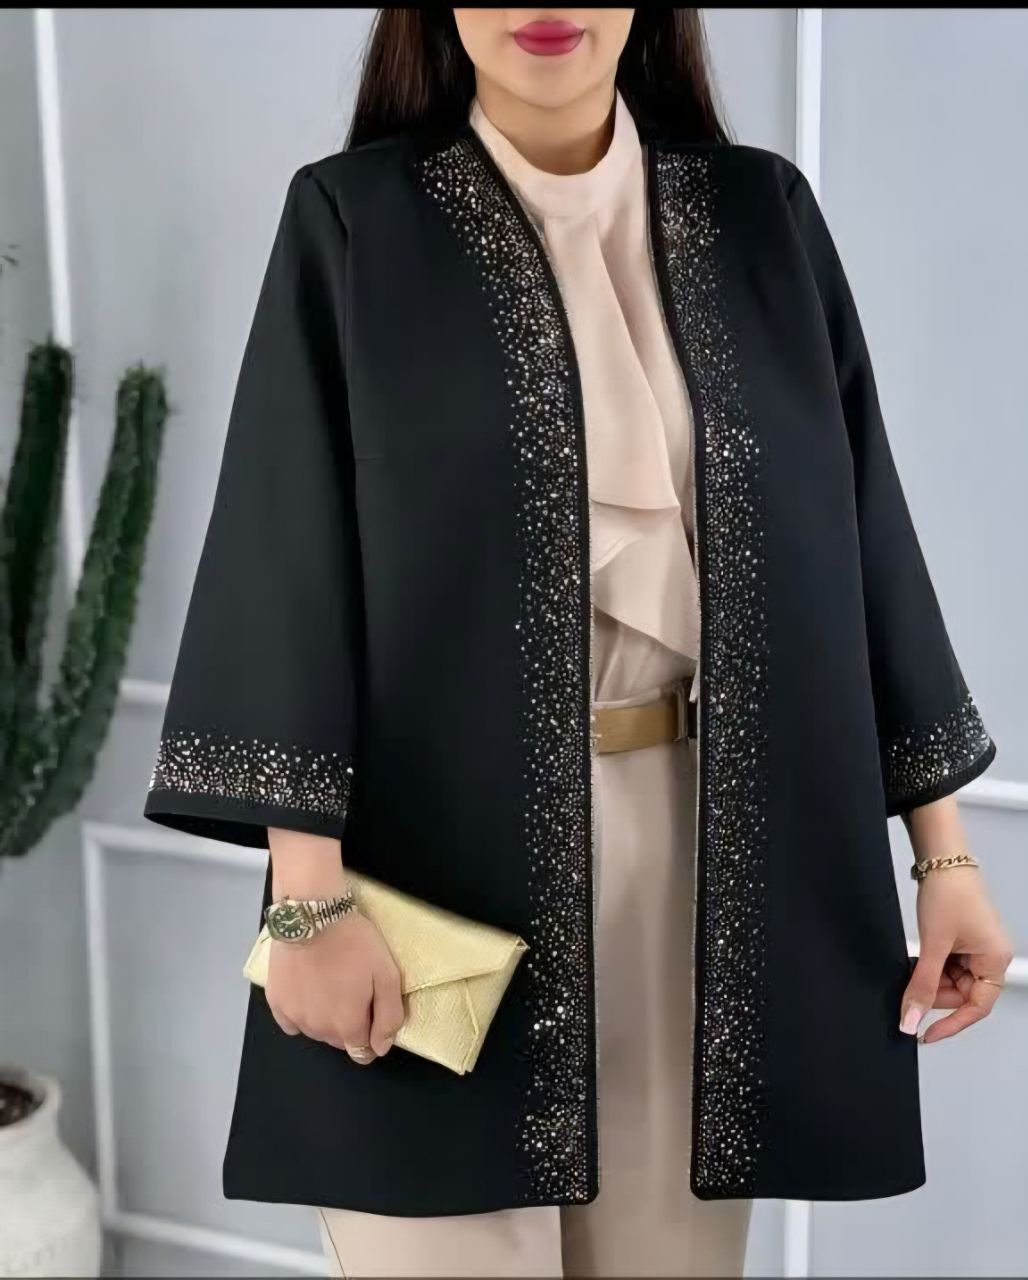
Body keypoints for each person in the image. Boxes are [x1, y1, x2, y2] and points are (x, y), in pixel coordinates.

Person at [144, 9, 1012, 1278]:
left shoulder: (762, 218)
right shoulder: (354, 223)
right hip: (428, 880)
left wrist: (944, 853)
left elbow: (862, 533)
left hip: (712, 883)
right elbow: (285, 558)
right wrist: (305, 897)